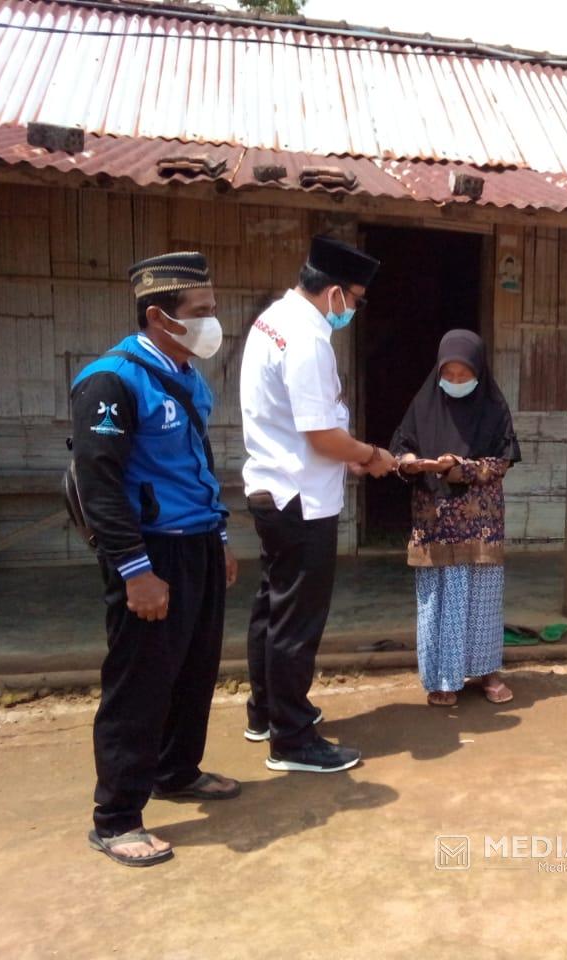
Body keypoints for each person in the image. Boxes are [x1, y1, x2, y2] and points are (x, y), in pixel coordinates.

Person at [72, 252, 240, 867]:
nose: (212, 322)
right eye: (201, 312)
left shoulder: (190, 374)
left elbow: (196, 465)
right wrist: (135, 570)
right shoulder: (112, 382)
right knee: (139, 684)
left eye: (212, 310)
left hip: (196, 542)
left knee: (195, 669)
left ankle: (177, 771)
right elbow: (100, 486)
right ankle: (116, 817)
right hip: (149, 552)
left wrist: (218, 538)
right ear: (158, 316)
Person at [240, 235, 395, 773]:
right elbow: (322, 437)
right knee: (297, 621)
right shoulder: (307, 339)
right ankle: (293, 739)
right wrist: (371, 454)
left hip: (272, 487)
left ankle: (266, 712)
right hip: (301, 498)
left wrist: (348, 452)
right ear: (332, 292)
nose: (353, 309)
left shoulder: (272, 321)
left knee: (273, 607)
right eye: (353, 299)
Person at [392, 330, 522, 707]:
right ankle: (443, 678)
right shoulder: (423, 404)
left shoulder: (494, 408)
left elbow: (502, 460)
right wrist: (411, 463)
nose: (456, 382)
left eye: (464, 375)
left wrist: (460, 467)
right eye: (448, 375)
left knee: (482, 598)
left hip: (478, 522)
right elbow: (400, 448)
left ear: (479, 371)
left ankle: (488, 672)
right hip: (433, 521)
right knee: (438, 600)